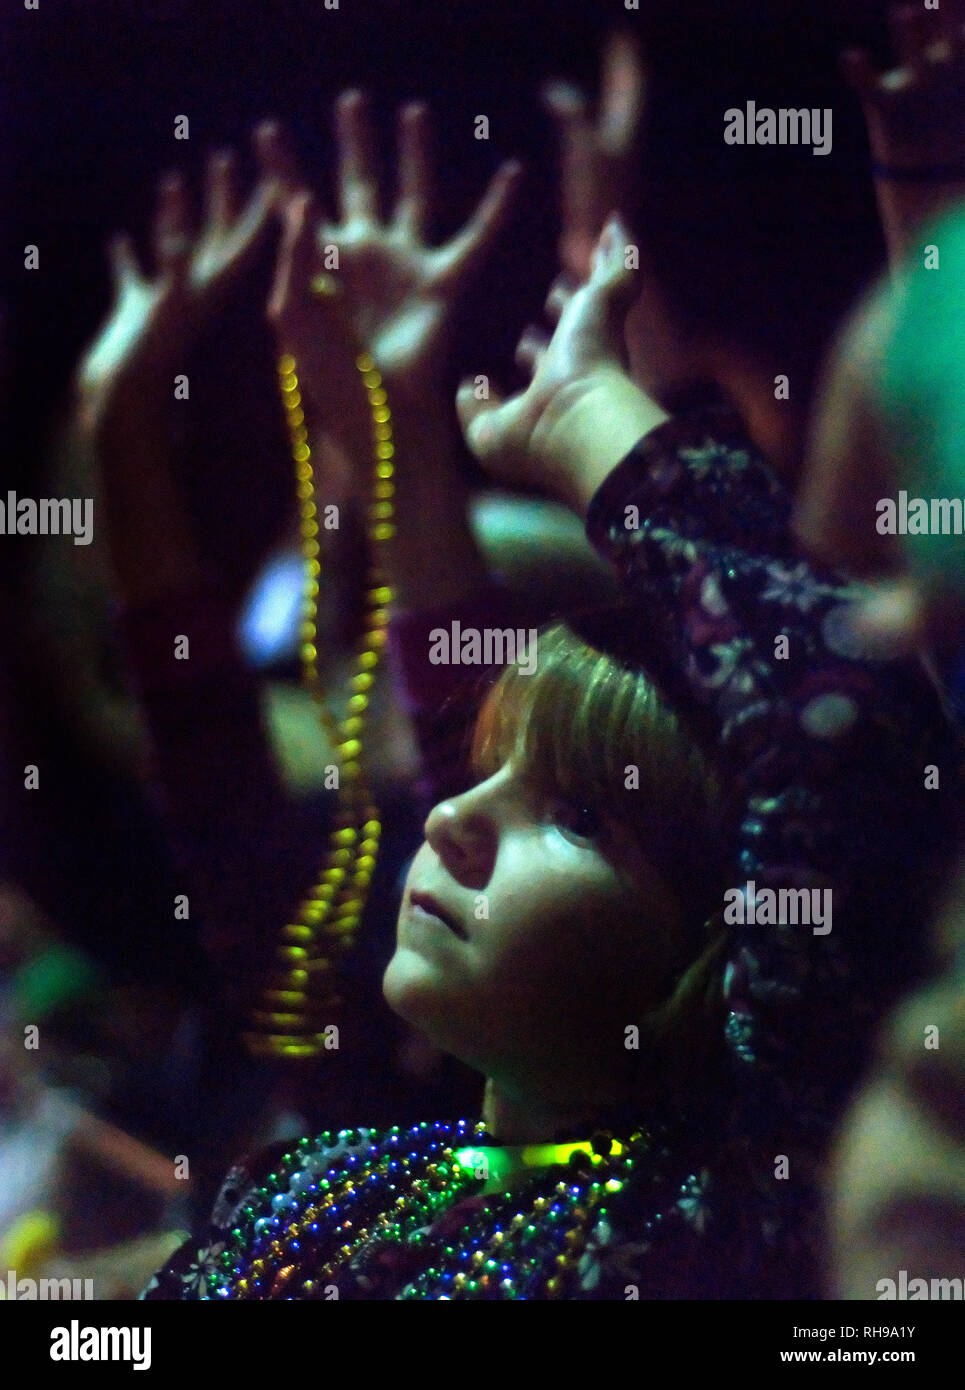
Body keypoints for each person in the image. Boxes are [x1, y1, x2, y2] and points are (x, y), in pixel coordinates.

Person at [143, 218, 957, 1299]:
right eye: (482, 766)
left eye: (577, 816)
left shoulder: (709, 1224)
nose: (445, 816)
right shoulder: (318, 1180)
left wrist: (585, 418)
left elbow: (837, 727)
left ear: (726, 949)